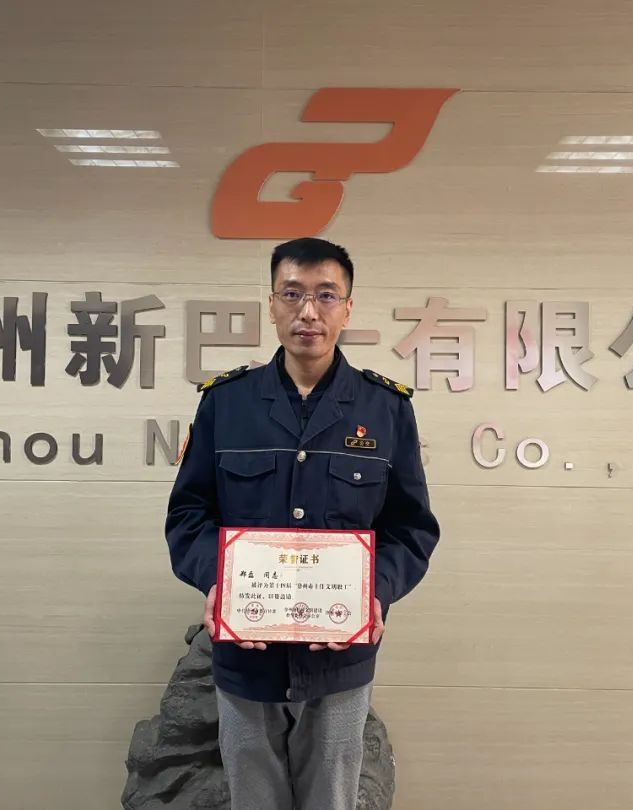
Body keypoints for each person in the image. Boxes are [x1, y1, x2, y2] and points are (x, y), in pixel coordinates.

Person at [165, 236, 440, 810]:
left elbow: (411, 529)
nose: (308, 311)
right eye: (292, 294)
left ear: (348, 308)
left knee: (331, 801)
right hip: (247, 655)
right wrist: (218, 581)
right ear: (271, 305)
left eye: (325, 295)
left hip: (339, 658)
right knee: (252, 799)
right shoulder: (226, 403)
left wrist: (376, 590)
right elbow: (189, 515)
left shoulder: (386, 409)